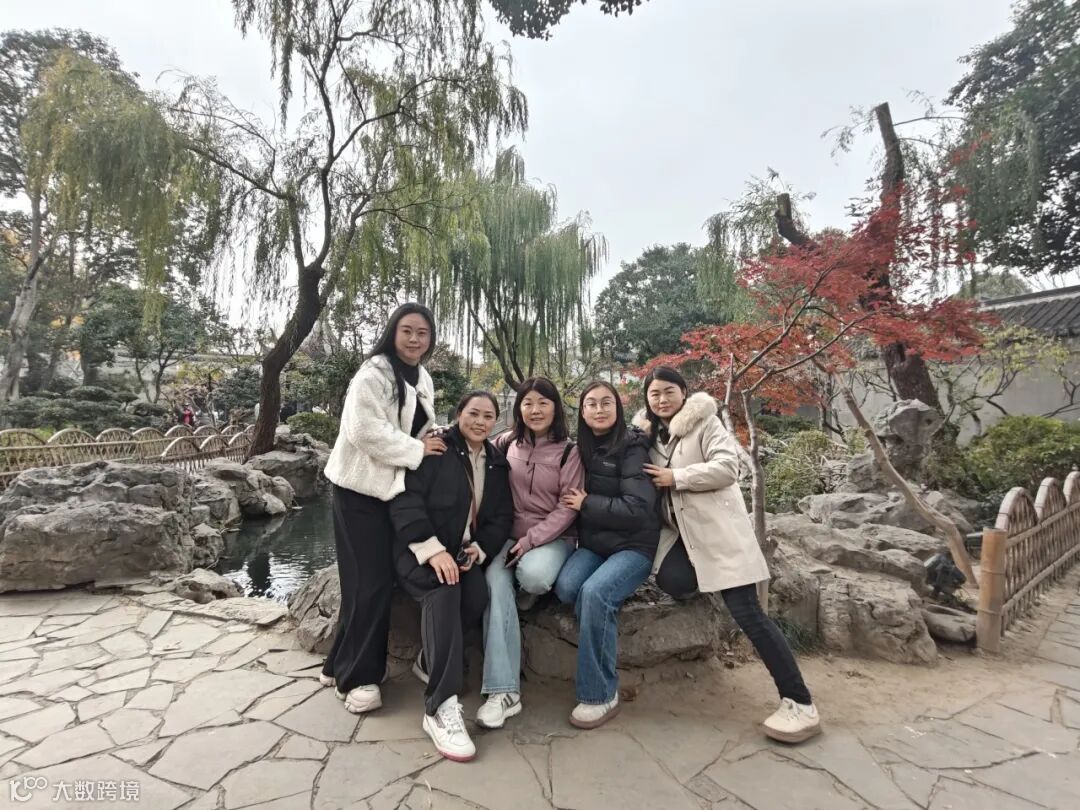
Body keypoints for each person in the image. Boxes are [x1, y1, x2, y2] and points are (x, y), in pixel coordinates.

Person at [634, 366, 822, 744]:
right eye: (654, 394)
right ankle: (699, 588)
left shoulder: (706, 423)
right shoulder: (648, 434)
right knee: (672, 580)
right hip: (682, 537)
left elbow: (728, 468)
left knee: (750, 615)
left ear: (684, 392)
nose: (662, 400)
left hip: (718, 536)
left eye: (669, 391)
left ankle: (800, 703)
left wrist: (677, 478)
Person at [319, 303, 447, 715]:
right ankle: (358, 677)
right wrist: (417, 449)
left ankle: (337, 663)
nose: (414, 339)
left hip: (391, 489)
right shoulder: (373, 374)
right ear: (393, 332)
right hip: (359, 490)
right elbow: (363, 430)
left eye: (423, 333)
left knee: (370, 581)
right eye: (407, 330)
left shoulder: (421, 376)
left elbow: (416, 425)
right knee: (368, 582)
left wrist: (433, 440)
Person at [389, 391, 514, 762]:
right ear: (459, 413)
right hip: (418, 550)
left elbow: (501, 517)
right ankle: (440, 707)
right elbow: (405, 500)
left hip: (460, 554)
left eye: (488, 416)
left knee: (476, 596)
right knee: (443, 591)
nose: (480, 421)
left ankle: (429, 661)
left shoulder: (496, 462)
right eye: (473, 413)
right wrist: (432, 550)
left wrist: (480, 548)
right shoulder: (436, 449)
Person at [476, 377, 585, 730]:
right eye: (527, 403)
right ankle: (504, 692)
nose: (535, 410)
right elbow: (472, 443)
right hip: (508, 537)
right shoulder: (507, 442)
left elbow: (568, 507)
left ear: (555, 408)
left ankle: (527, 592)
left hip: (553, 537)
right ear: (518, 408)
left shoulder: (569, 451)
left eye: (543, 403)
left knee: (534, 575)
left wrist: (531, 540)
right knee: (494, 583)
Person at [553, 381, 659, 729]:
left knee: (595, 594)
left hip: (634, 547)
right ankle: (600, 618)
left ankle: (600, 694)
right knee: (567, 588)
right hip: (596, 545)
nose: (599, 410)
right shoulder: (581, 447)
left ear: (618, 407)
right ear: (582, 411)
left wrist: (587, 503)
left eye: (606, 403)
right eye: (591, 404)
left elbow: (638, 508)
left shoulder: (632, 447)